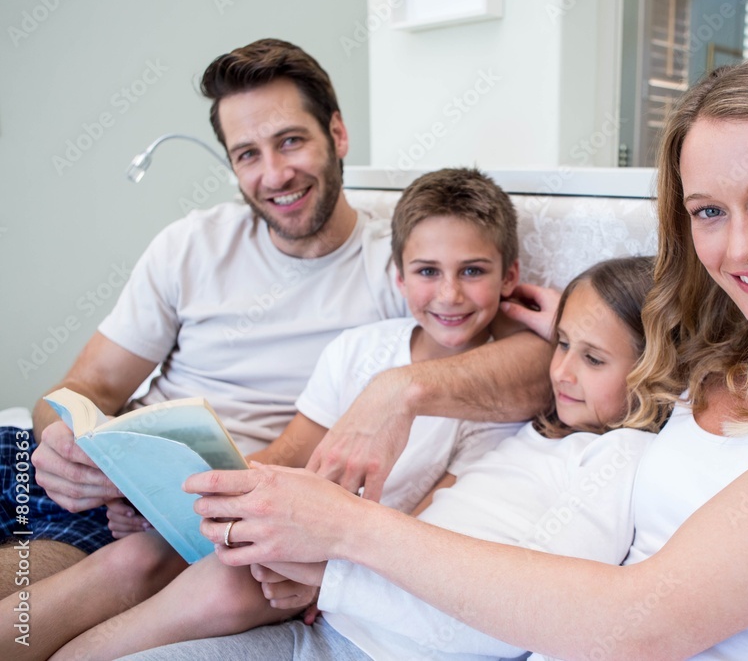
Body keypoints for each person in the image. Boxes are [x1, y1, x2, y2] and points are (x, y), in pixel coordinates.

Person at [151, 54, 748, 660]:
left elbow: (648, 623)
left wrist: (346, 535)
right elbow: (570, 383)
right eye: (707, 211)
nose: (741, 245)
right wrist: (555, 335)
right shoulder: (718, 364)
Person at [0, 36, 549, 645]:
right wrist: (65, 443)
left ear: (336, 135)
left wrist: (400, 390)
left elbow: (534, 366)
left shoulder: (407, 267)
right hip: (81, 475)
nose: (275, 174)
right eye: (247, 154)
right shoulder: (190, 244)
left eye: (290, 141)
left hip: (187, 515)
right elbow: (90, 384)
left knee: (34, 585)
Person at [31, 165, 526, 661]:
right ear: (398, 275)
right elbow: (290, 456)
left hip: (349, 558)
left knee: (224, 587)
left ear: (509, 276)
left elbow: (425, 525)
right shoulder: (358, 350)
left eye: (473, 271)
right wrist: (169, 503)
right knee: (136, 555)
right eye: (427, 271)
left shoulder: (494, 405)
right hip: (282, 530)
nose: (449, 295)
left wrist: (329, 579)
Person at [121, 255, 666, 660]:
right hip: (333, 626)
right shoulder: (535, 427)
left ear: (659, 370)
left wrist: (331, 580)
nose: (561, 371)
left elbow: (524, 619)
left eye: (592, 358)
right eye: (561, 343)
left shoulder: (622, 459)